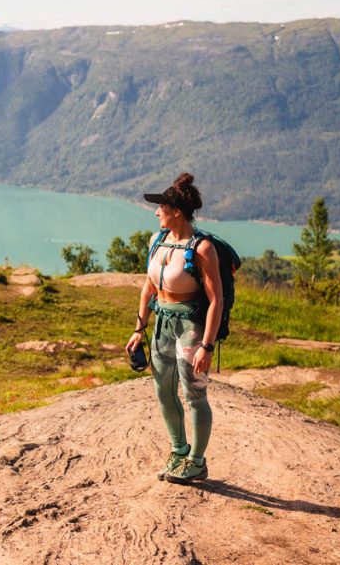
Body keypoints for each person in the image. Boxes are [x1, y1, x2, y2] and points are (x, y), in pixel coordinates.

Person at [126, 173, 222, 484]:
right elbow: (148, 287)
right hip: (161, 326)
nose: (156, 212)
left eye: (161, 208)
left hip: (190, 328)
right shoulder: (157, 241)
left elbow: (216, 300)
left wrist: (207, 346)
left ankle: (197, 462)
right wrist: (139, 329)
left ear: (176, 212)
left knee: (194, 394)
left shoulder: (203, 248)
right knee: (162, 391)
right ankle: (179, 451)